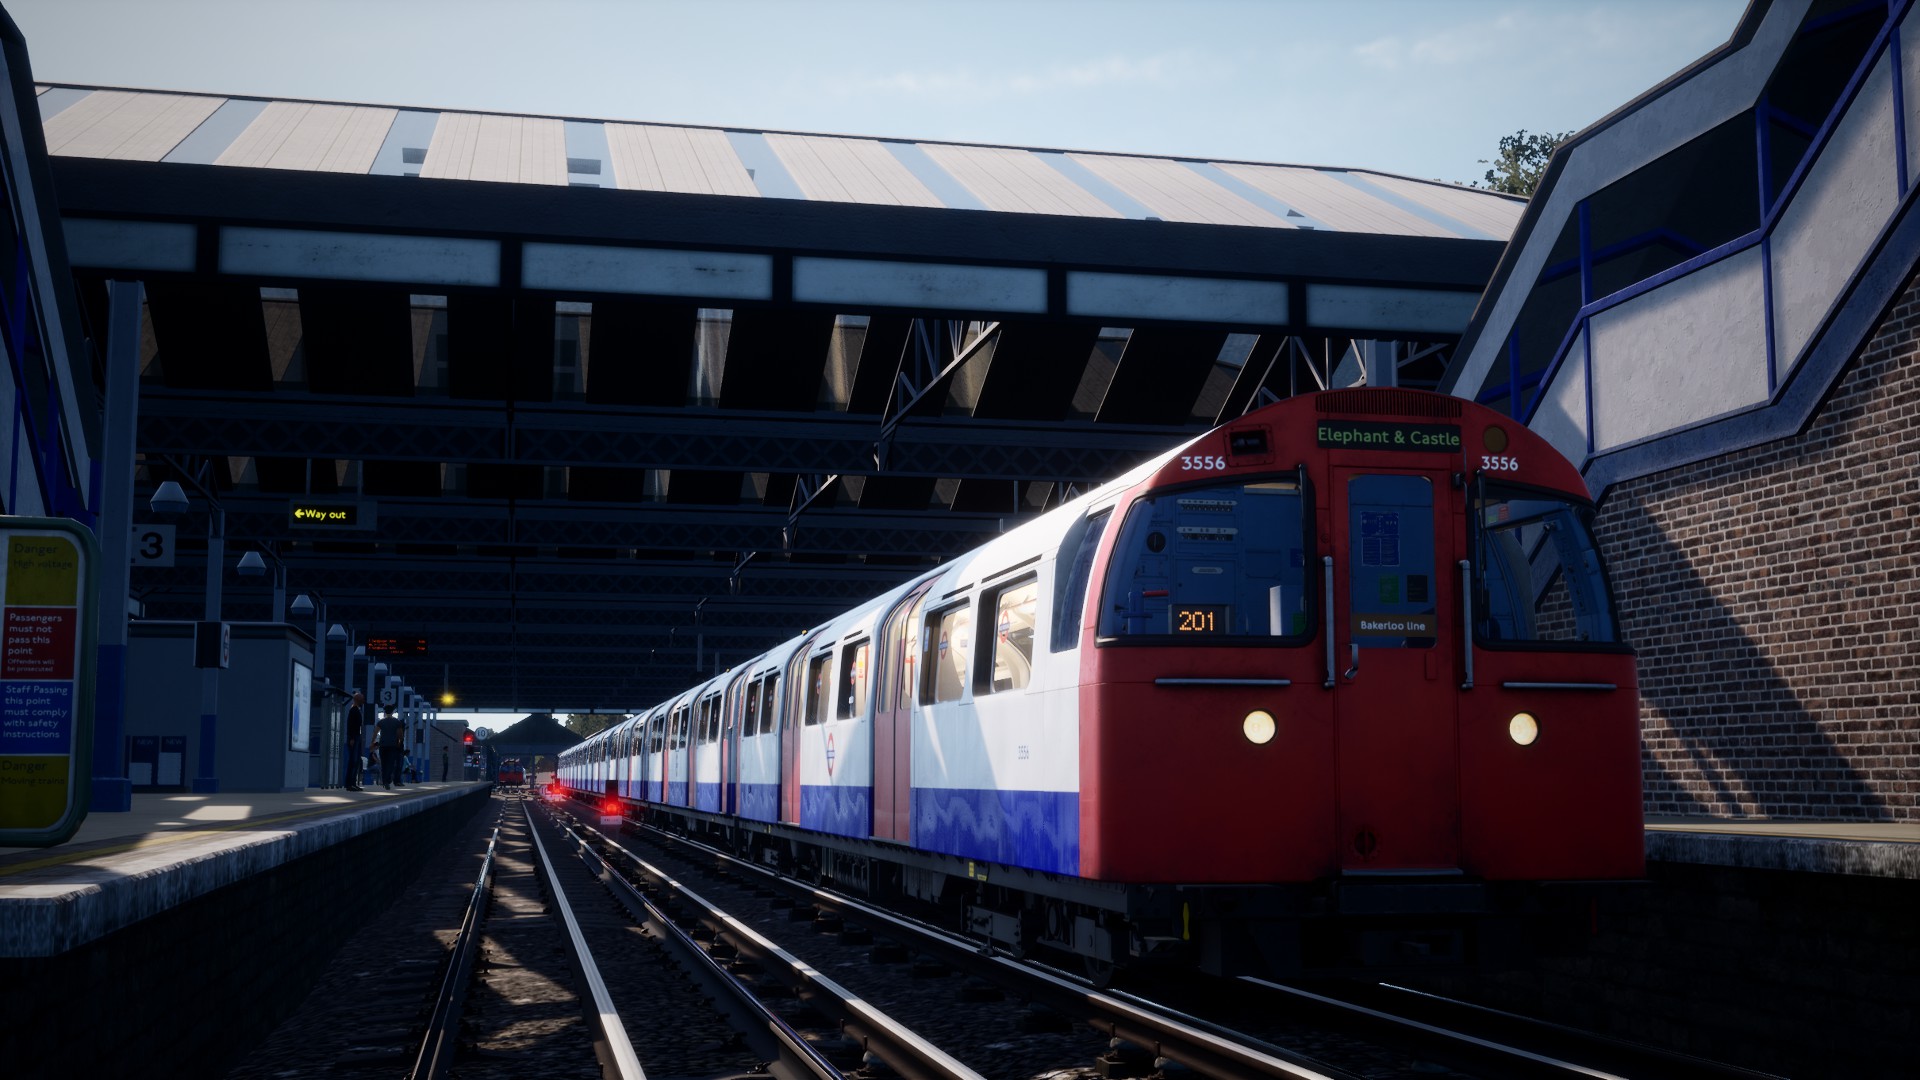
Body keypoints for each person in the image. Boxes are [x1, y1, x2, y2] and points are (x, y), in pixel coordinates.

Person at [374, 704, 406, 790]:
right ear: (392, 712)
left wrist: (373, 743)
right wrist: (399, 744)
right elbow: (400, 736)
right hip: (392, 746)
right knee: (391, 764)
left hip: (383, 746)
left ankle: (385, 781)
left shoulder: (381, 722)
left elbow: (376, 733)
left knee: (384, 764)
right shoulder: (397, 722)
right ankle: (387, 781)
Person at [343, 691, 365, 791]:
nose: (363, 701)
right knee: (353, 761)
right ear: (357, 699)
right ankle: (349, 784)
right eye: (362, 699)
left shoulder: (357, 710)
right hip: (354, 737)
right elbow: (350, 725)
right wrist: (351, 738)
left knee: (356, 761)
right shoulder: (353, 710)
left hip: (357, 737)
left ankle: (353, 783)